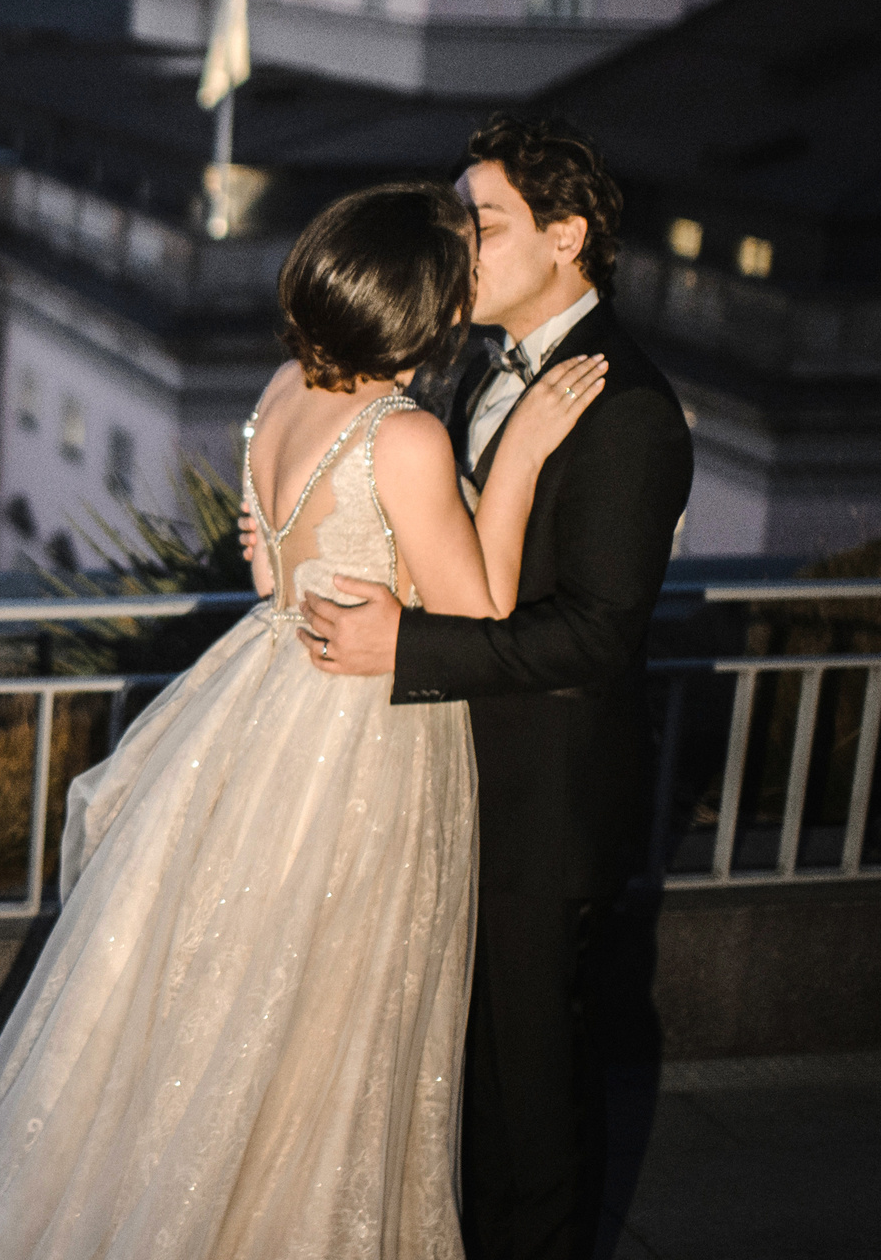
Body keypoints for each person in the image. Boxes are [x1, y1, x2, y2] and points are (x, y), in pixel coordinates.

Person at [0, 181, 605, 1260]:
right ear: (428, 311)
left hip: (263, 699)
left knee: (233, 992)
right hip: (361, 736)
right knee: (332, 1005)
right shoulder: (399, 436)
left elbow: (269, 560)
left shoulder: (283, 388)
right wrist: (526, 452)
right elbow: (482, 606)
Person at [299, 118, 693, 1260]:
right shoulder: (474, 363)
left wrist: (404, 651)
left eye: (485, 222)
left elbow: (598, 637)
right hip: (451, 784)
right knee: (463, 1081)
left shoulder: (625, 408)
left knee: (533, 1094)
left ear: (565, 238)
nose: (457, 244)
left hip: (543, 806)